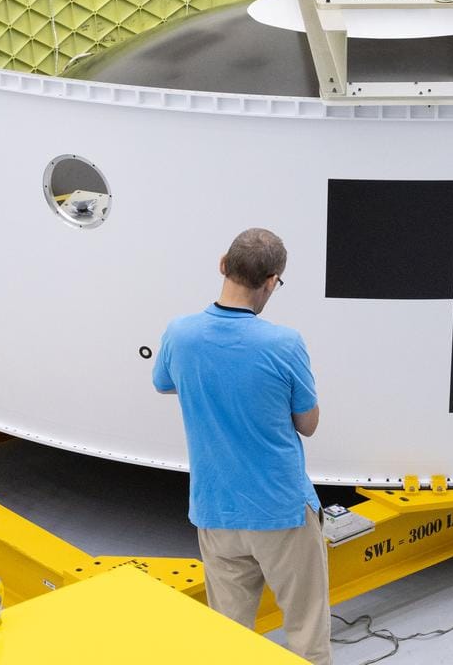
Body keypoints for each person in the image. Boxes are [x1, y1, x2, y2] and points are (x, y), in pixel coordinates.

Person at [153, 229, 328, 664]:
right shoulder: (284, 343)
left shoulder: (180, 334)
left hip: (216, 511)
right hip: (280, 510)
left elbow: (165, 383)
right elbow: (308, 424)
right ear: (270, 282)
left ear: (222, 264)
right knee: (306, 638)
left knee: (227, 643)